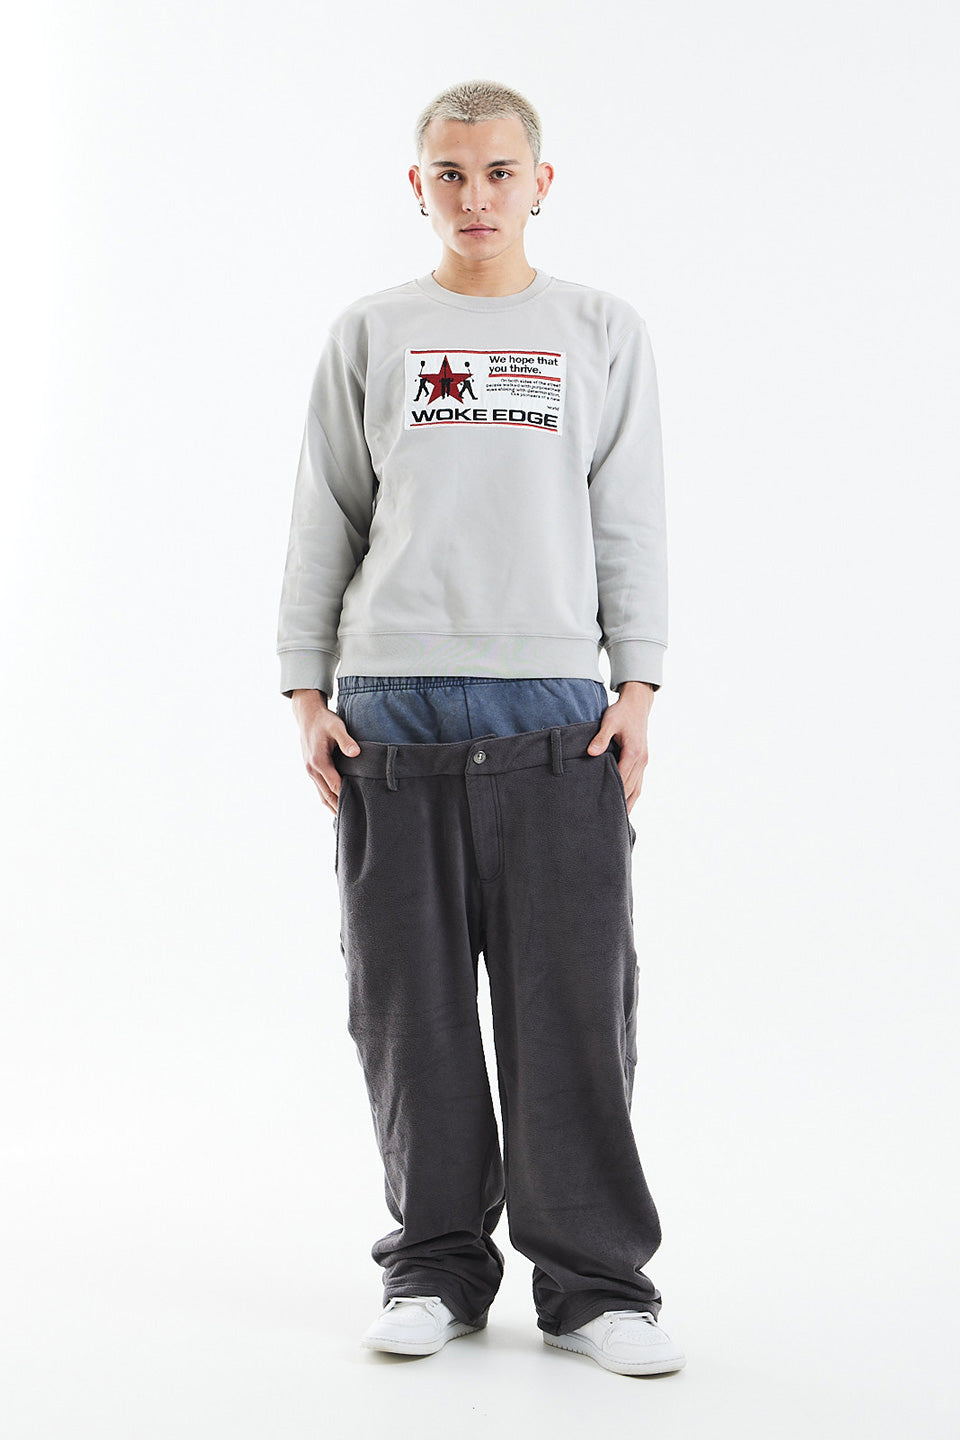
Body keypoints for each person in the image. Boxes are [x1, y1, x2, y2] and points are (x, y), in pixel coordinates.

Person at [276, 78, 686, 1378]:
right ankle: (436, 1269)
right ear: (419, 186)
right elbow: (327, 510)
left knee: (572, 1008)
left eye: (500, 172)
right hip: (390, 710)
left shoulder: (600, 331)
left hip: (556, 711)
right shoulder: (373, 331)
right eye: (450, 173)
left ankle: (596, 1286)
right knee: (410, 1013)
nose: (475, 196)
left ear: (540, 183)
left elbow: (630, 513)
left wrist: (639, 683)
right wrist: (304, 686)